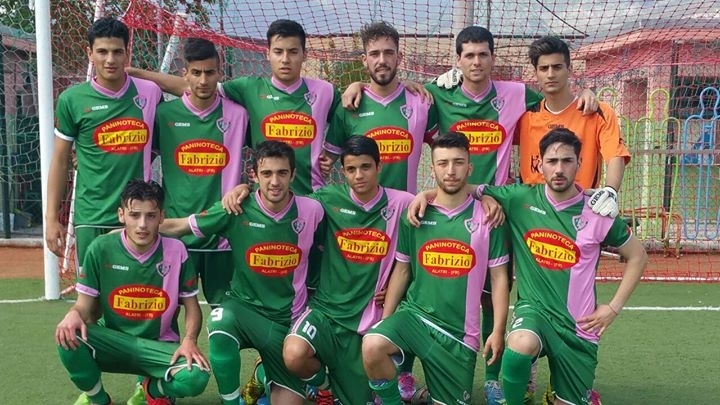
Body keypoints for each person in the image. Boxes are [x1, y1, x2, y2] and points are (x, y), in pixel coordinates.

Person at [222, 136, 416, 404]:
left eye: (366, 167)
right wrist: (244, 188)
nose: (359, 175)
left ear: (379, 167)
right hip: (325, 311)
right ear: (342, 171)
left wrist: (436, 195)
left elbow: (436, 209)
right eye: (351, 169)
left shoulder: (403, 203)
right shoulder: (327, 199)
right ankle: (313, 384)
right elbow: (284, 202)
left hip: (367, 318)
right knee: (294, 354)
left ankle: (269, 375)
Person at [473, 128, 647, 405]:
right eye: (552, 161)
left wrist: (613, 308)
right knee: (519, 346)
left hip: (579, 327)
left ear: (579, 163)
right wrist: (477, 196)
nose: (559, 169)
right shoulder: (520, 198)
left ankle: (558, 393)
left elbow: (638, 256)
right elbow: (466, 189)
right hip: (535, 312)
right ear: (539, 164)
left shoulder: (597, 212)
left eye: (567, 161)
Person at [46, 17, 164, 405]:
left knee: (143, 301)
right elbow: (60, 160)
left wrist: (143, 73)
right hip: (92, 218)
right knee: (91, 307)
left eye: (117, 51)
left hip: (138, 219)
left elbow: (192, 91)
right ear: (90, 53)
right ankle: (95, 391)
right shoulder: (72, 100)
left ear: (128, 53)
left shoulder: (149, 93)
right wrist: (51, 217)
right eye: (102, 52)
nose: (110, 59)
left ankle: (145, 385)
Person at [160, 140, 325, 405]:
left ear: (293, 174)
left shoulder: (313, 210)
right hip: (244, 310)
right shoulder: (236, 209)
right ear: (254, 175)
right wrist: (128, 232)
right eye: (266, 173)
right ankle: (231, 401)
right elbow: (181, 226)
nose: (274, 181)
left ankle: (262, 376)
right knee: (220, 321)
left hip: (288, 319)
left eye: (282, 173)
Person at [361, 132, 510, 405]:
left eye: (458, 162)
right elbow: (402, 270)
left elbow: (499, 278)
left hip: (459, 336)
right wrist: (386, 320)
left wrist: (498, 330)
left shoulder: (489, 218)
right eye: (443, 163)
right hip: (416, 318)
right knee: (372, 345)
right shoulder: (415, 214)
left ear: (469, 167)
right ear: (432, 169)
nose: (450, 171)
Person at [128, 19, 340, 196]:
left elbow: (348, 117)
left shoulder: (326, 92)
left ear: (305, 54)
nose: (285, 59)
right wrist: (135, 73)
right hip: (264, 202)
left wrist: (332, 152)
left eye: (293, 52)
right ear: (267, 54)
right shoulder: (248, 89)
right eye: (278, 51)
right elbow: (197, 87)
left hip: (312, 197)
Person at [55, 179, 211, 405]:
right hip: (113, 341)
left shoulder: (176, 250)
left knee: (197, 375)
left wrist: (189, 340)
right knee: (67, 334)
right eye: (135, 215)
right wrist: (73, 314)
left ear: (162, 217)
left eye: (151, 216)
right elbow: (84, 306)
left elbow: (192, 306)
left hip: (158, 346)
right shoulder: (100, 248)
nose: (142, 225)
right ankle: (98, 399)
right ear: (121, 215)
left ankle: (152, 389)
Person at [154, 37, 248, 307]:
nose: (203, 80)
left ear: (219, 74)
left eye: (209, 72)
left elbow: (266, 157)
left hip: (223, 236)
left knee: (226, 313)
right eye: (196, 73)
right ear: (185, 73)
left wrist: (247, 185)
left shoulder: (239, 115)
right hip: (174, 233)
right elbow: (137, 157)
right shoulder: (164, 115)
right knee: (165, 311)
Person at [322, 21, 436, 194]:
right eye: (374, 54)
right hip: (361, 209)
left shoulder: (421, 102)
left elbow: (447, 153)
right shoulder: (349, 105)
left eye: (388, 53)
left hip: (407, 208)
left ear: (399, 57)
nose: (382, 60)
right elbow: (324, 164)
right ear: (364, 60)